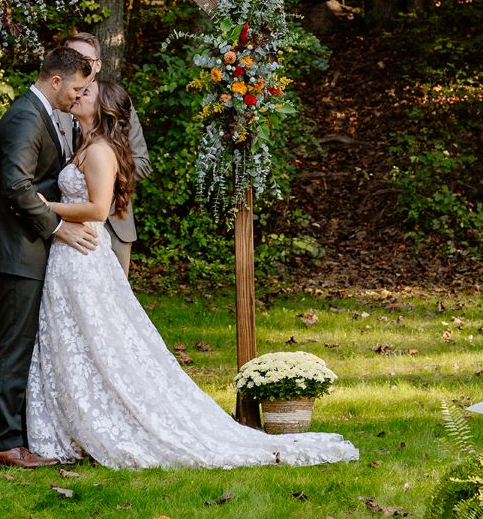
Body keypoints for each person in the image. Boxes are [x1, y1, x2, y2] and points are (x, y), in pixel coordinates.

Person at [26, 79, 359, 470]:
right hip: (71, 257)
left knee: (98, 341)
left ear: (102, 110)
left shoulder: (99, 151)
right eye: (79, 92)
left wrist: (49, 206)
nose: (78, 95)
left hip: (83, 257)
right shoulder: (83, 145)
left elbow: (98, 210)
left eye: (87, 94)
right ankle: (72, 424)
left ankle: (108, 421)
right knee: (74, 341)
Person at [0, 46, 97, 469]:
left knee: (25, 345)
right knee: (14, 345)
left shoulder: (44, 112)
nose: (77, 97)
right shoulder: (27, 115)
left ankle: (19, 433)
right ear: (57, 80)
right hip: (16, 250)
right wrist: (59, 227)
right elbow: (16, 187)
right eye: (77, 88)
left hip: (29, 250)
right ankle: (5, 443)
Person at [56, 32, 150, 275]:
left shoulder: (116, 103)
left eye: (86, 59)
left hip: (114, 222)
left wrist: (100, 172)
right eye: (73, 57)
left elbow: (142, 162)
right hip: (64, 222)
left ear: (97, 65)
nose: (80, 65)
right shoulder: (55, 105)